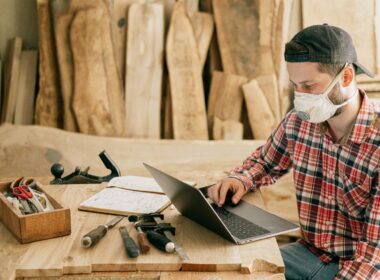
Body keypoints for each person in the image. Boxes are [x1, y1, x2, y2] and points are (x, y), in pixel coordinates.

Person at [207, 24, 379, 279]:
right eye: (295, 85)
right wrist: (239, 179)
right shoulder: (300, 122)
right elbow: (265, 163)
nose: (300, 97)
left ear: (345, 77)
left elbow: (373, 257)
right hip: (308, 252)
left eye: (309, 86)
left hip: (360, 267)